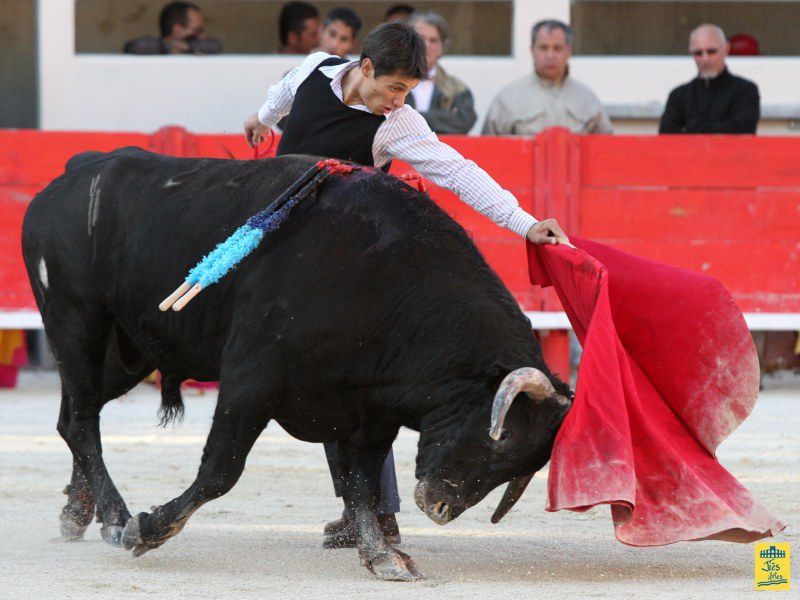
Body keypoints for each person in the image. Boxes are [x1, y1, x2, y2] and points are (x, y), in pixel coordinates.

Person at [243, 22, 569, 548]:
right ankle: (356, 508)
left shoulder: (398, 123)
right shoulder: (315, 68)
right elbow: (283, 95)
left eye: (408, 92)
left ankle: (378, 512)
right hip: (289, 256)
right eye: (393, 88)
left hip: (347, 268)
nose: (398, 101)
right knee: (326, 385)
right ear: (364, 68)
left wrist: (523, 221)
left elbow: (457, 171)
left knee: (356, 387)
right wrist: (261, 118)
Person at [482, 19, 611, 135]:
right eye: (543, 48)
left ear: (569, 51)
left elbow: (607, 151)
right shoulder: (507, 99)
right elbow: (487, 151)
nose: (550, 55)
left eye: (557, 48)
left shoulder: (587, 99)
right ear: (532, 51)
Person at [659, 24, 760, 134]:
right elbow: (666, 136)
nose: (705, 59)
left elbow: (743, 130)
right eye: (698, 53)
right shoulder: (679, 95)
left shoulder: (745, 90)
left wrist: (692, 128)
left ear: (726, 49)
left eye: (711, 51)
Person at [406, 11, 476, 134]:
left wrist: (410, 119)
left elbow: (463, 123)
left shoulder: (458, 90)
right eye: (420, 39)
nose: (426, 45)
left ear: (442, 48)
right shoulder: (390, 83)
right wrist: (444, 117)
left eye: (433, 40)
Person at [123, 1, 221, 55]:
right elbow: (133, 47)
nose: (202, 35)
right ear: (178, 28)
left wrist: (185, 47)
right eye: (197, 30)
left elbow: (215, 45)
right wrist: (168, 46)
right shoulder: (153, 47)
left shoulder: (196, 45)